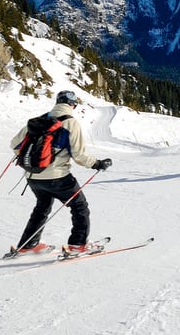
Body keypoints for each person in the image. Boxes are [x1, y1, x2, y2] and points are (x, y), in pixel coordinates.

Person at [10, 89, 112, 254]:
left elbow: (14, 144)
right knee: (79, 207)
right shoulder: (70, 123)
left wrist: (34, 161)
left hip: (32, 176)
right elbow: (79, 155)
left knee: (42, 207)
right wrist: (98, 164)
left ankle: (28, 246)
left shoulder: (40, 120)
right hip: (57, 177)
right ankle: (77, 245)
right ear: (73, 105)